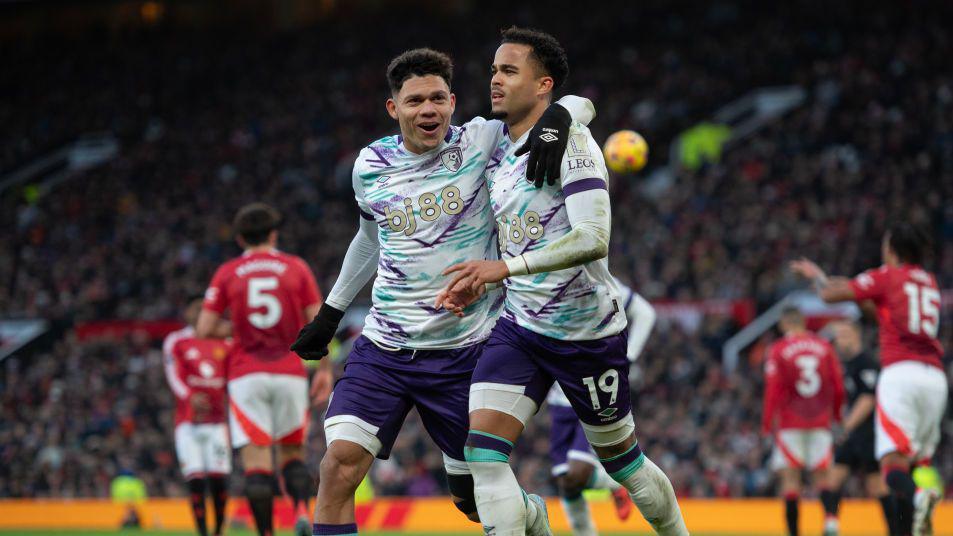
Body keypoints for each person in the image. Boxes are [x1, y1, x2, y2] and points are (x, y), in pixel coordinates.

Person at [289, 48, 595, 536]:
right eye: (414, 101)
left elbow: (577, 103)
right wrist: (330, 314)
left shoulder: (482, 139)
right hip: (384, 347)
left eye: (436, 98)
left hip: (464, 350)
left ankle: (530, 515)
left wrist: (556, 122)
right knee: (338, 466)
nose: (427, 109)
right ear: (394, 108)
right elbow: (369, 240)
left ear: (452, 102)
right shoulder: (370, 165)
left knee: (473, 500)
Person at [436, 27, 688, 535]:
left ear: (543, 84)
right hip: (522, 328)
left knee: (623, 464)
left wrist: (504, 270)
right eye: (493, 70)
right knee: (482, 452)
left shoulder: (571, 142)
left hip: (587, 333)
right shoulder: (495, 146)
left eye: (509, 71)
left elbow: (594, 238)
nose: (495, 80)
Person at [791, 222, 947, 536]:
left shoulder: (887, 276)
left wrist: (817, 276)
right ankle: (914, 524)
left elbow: (829, 293)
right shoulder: (928, 282)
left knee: (891, 466)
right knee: (917, 462)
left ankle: (920, 499)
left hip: (901, 375)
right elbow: (882, 313)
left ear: (892, 249)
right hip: (935, 378)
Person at [197, 203, 329, 536]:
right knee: (292, 454)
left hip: (246, 375)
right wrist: (324, 370)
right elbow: (320, 321)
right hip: (289, 372)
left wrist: (238, 329)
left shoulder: (228, 272)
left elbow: (204, 326)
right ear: (274, 233)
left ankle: (267, 534)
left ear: (240, 238)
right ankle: (300, 510)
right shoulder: (295, 267)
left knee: (257, 463)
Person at [547, 280, 655, 535]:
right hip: (558, 397)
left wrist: (627, 359)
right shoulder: (542, 283)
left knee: (578, 472)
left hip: (593, 391)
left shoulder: (599, 280)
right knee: (566, 481)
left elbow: (645, 312)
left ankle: (618, 485)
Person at [762, 307, 845, 536]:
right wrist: (836, 415)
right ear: (804, 322)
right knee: (823, 477)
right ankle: (830, 519)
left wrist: (767, 422)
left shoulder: (779, 349)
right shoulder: (825, 347)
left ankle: (794, 532)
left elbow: (773, 390)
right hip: (820, 422)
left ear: (783, 324)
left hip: (790, 423)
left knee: (790, 480)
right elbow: (837, 386)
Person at [819, 320, 898, 536]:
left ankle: (895, 530)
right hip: (852, 433)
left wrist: (846, 426)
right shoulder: (846, 364)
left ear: (856, 335)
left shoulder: (867, 363)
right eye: (839, 335)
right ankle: (831, 525)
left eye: (844, 334)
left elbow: (868, 398)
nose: (840, 340)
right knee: (832, 481)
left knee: (877, 486)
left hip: (868, 432)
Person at [163, 295, 231, 536]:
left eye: (206, 308)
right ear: (187, 313)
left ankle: (219, 529)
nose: (202, 312)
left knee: (218, 479)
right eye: (197, 308)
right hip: (188, 423)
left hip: (217, 423)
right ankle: (202, 532)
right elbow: (173, 375)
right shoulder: (177, 341)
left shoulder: (224, 342)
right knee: (195, 479)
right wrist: (189, 396)